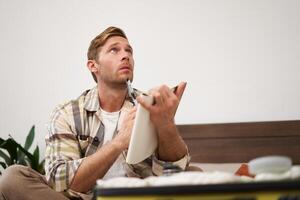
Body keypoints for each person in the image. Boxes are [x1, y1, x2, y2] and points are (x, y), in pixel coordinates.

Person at [0, 26, 190, 200]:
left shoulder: (150, 106)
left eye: (129, 51)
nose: (125, 56)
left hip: (138, 198)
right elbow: (60, 183)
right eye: (114, 50)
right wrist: (119, 142)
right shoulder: (67, 113)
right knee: (12, 178)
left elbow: (173, 173)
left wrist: (166, 126)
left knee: (196, 173)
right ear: (93, 66)